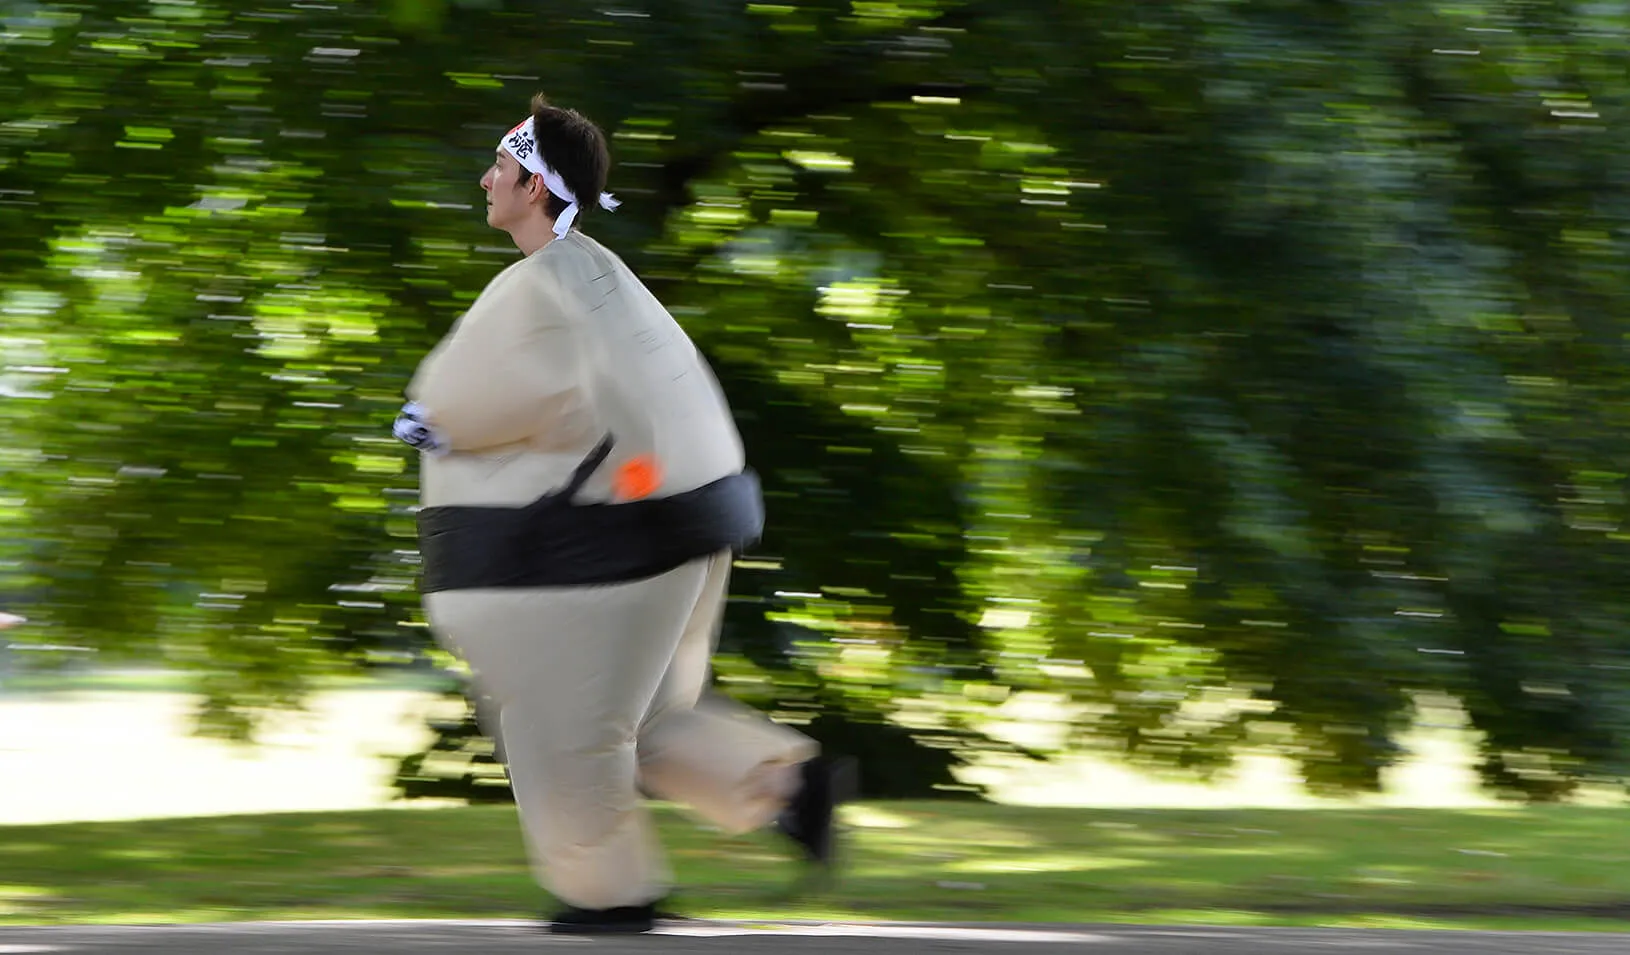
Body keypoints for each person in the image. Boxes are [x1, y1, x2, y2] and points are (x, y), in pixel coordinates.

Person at [394, 94, 855, 935]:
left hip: (593, 557)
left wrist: (426, 421)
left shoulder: (536, 288)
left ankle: (608, 896)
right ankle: (783, 784)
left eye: (499, 166)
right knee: (649, 719)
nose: (486, 180)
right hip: (688, 531)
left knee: (561, 731)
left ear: (534, 186)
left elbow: (464, 400)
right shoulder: (608, 277)